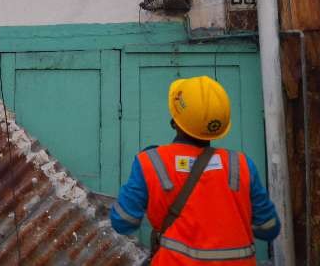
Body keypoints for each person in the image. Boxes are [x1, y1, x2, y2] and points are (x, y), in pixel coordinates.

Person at [110, 76, 280, 265]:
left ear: (175, 121)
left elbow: (122, 222)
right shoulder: (240, 164)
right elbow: (268, 229)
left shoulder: (151, 162)